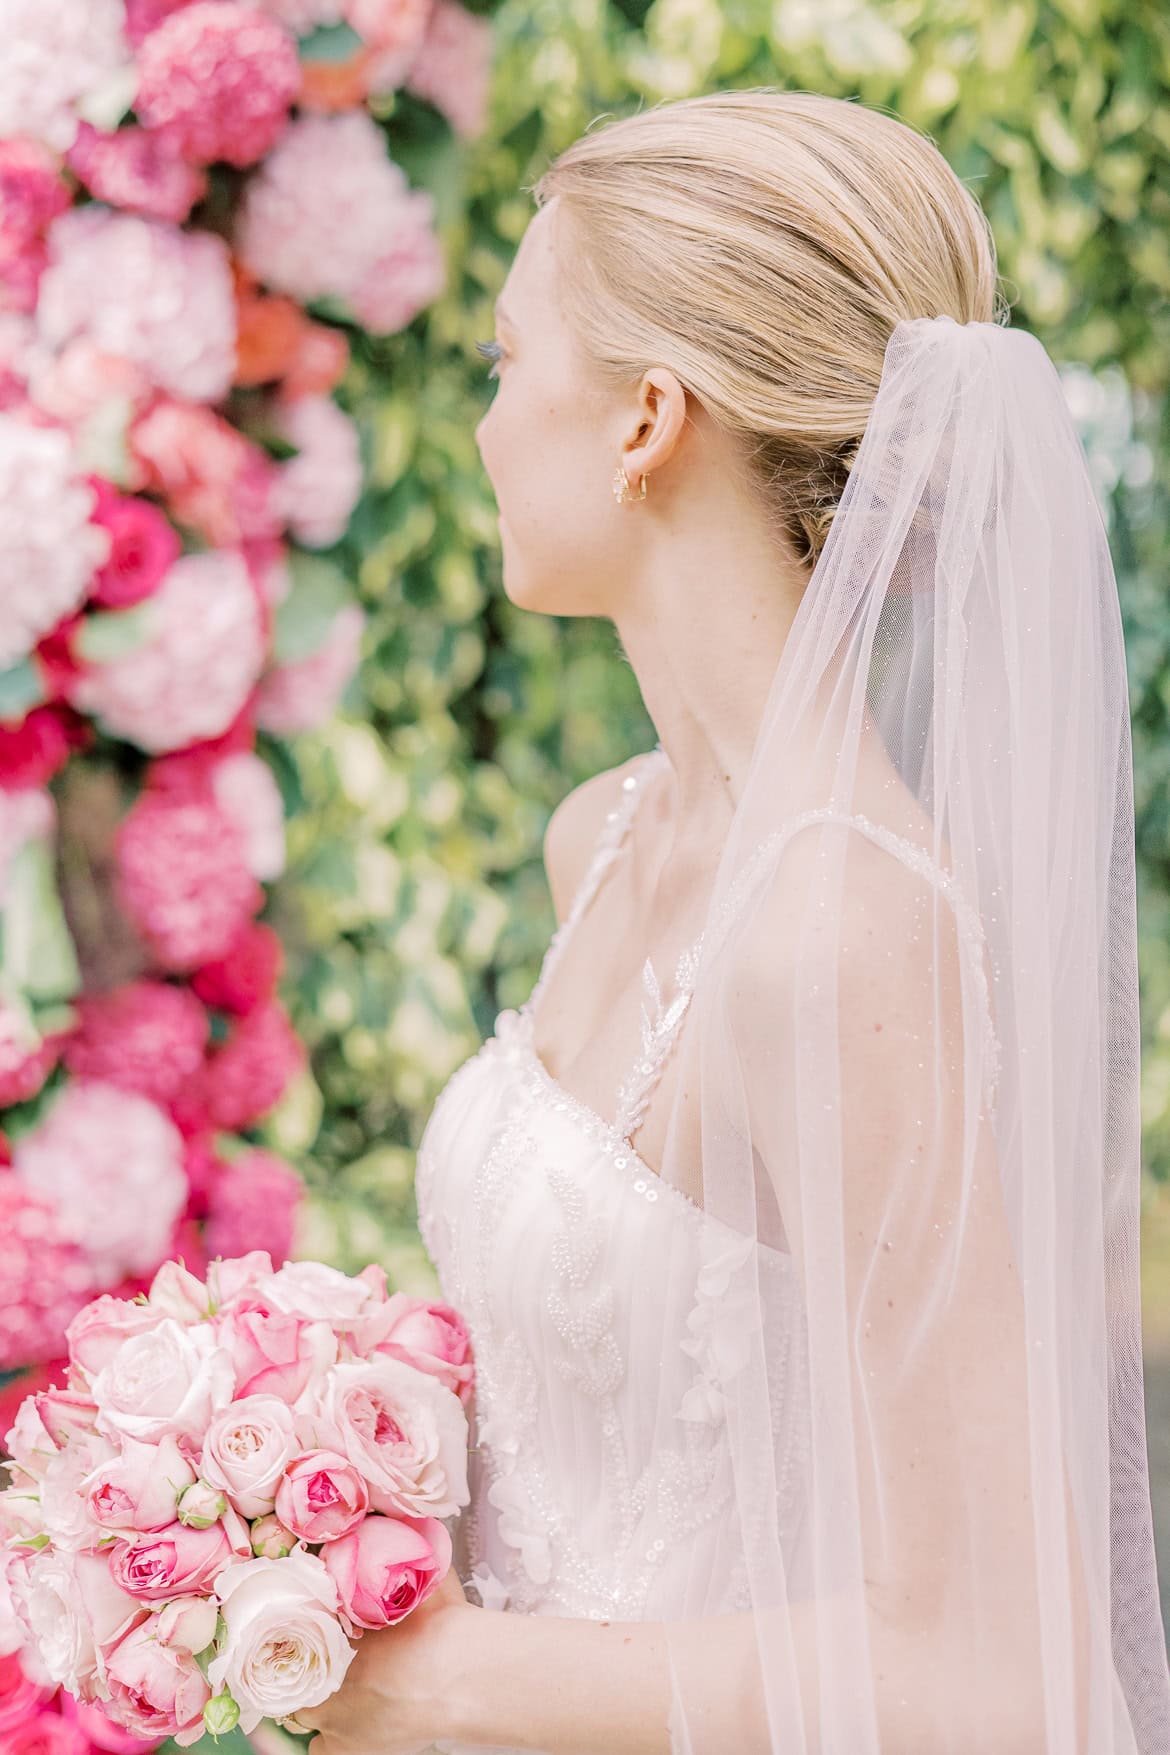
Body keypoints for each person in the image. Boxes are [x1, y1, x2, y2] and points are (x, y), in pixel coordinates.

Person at [295, 88, 1170, 1753]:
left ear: (643, 418)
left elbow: (992, 1666)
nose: (483, 425)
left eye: (503, 360)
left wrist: (444, 1680)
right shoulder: (601, 837)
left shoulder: (838, 935)